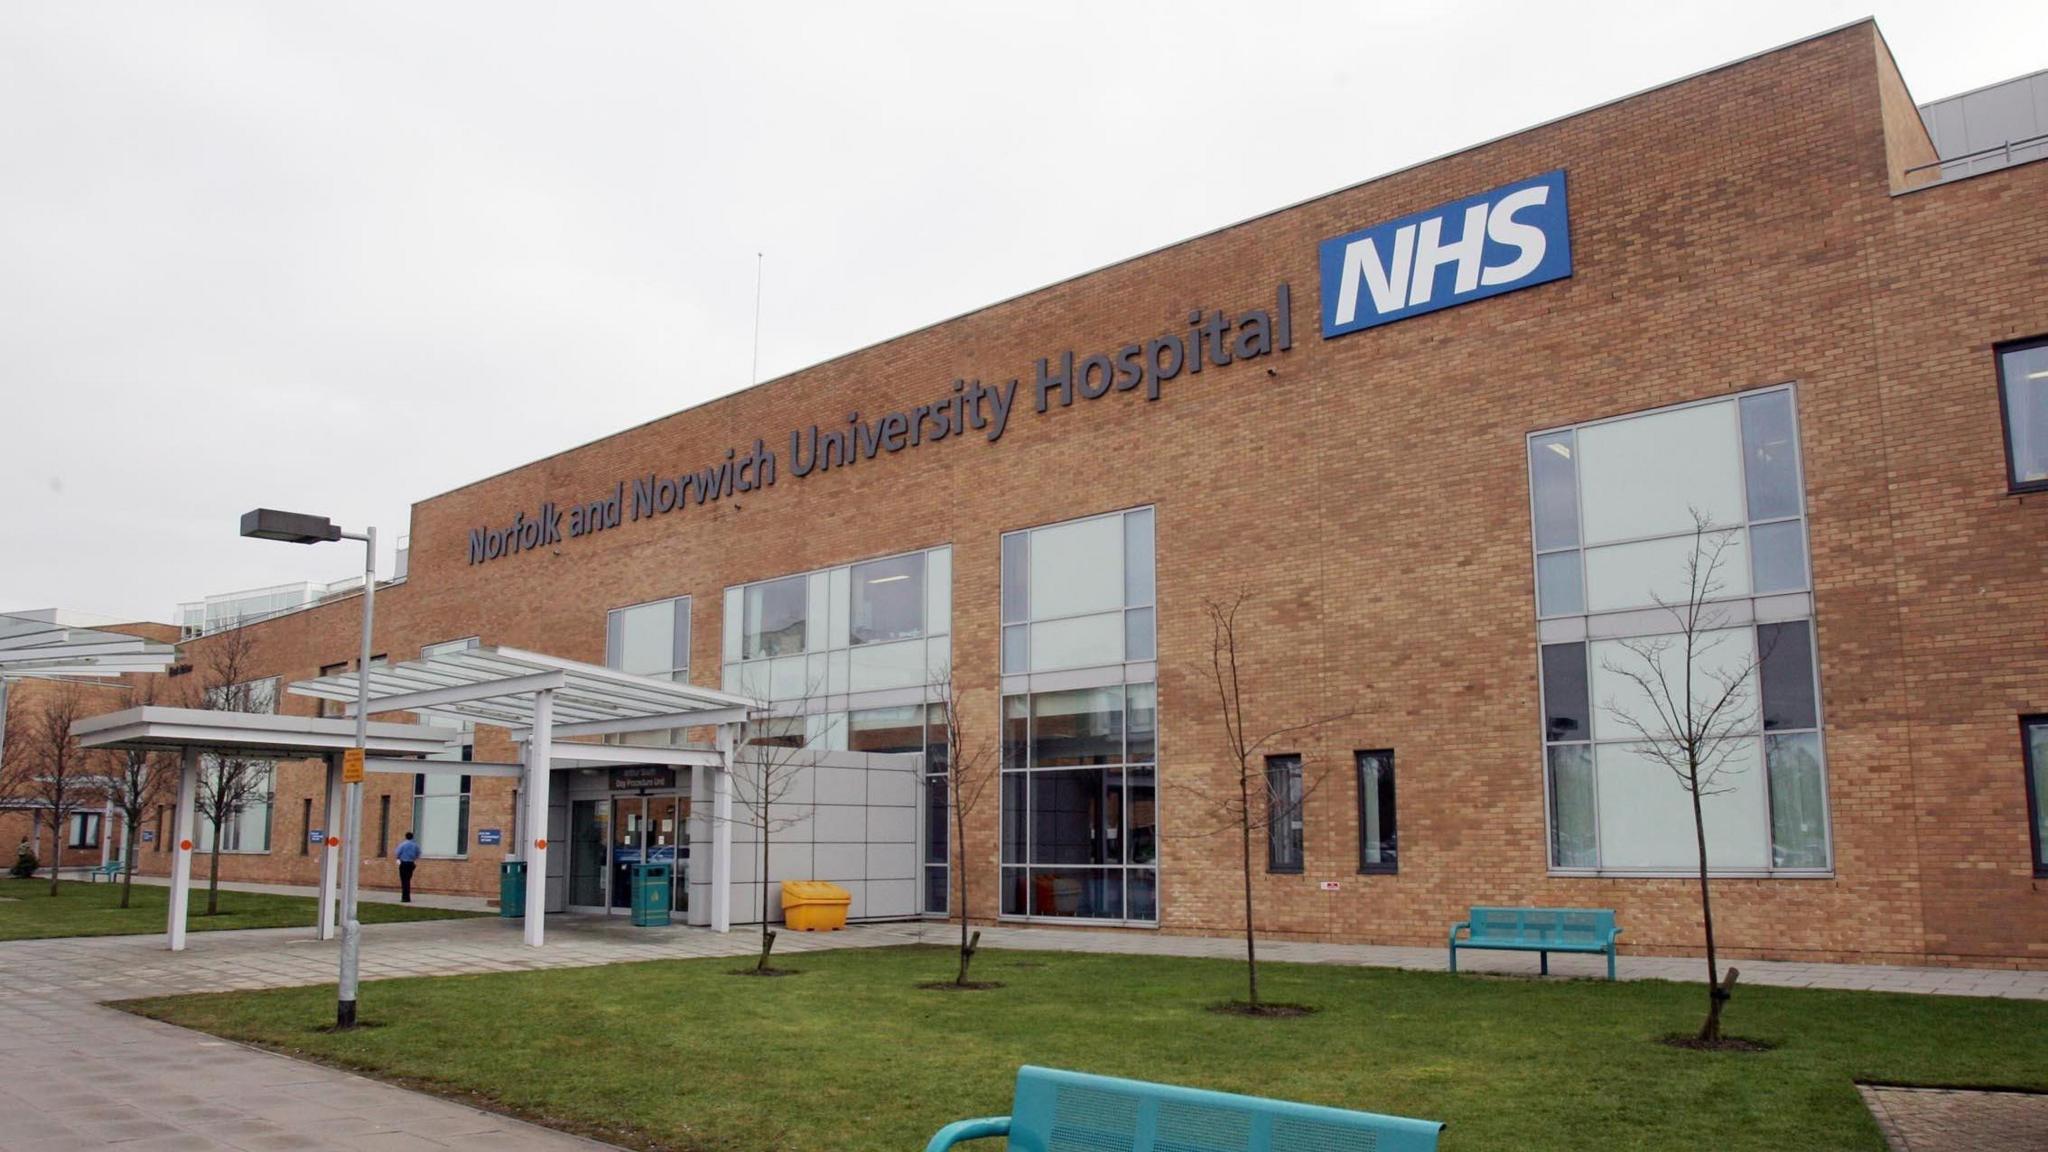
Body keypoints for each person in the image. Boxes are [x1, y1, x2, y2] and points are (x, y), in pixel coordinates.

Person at [395, 832, 421, 902]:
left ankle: (404, 898)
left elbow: (397, 853)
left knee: (404, 881)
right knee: (408, 880)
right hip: (411, 864)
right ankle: (407, 897)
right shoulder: (415, 845)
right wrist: (414, 858)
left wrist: (398, 858)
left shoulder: (402, 844)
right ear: (412, 837)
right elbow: (418, 853)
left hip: (404, 863)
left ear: (406, 837)